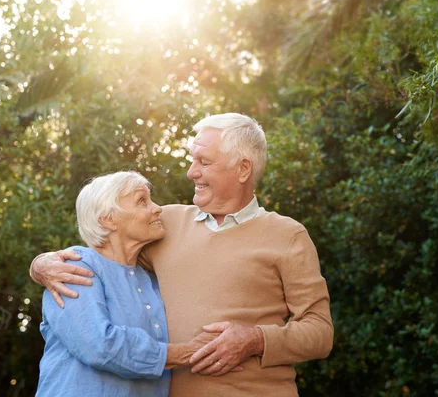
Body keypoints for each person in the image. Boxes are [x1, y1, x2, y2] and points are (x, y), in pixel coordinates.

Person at [31, 113, 334, 397]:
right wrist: (41, 265)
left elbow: (320, 332)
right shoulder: (166, 225)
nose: (191, 172)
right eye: (192, 160)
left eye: (204, 162)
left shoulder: (287, 235)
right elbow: (109, 253)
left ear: (242, 169)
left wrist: (255, 339)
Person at [36, 171, 228, 397]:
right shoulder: (76, 266)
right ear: (107, 219)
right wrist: (187, 353)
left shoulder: (153, 280)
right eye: (142, 201)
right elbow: (100, 345)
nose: (157, 208)